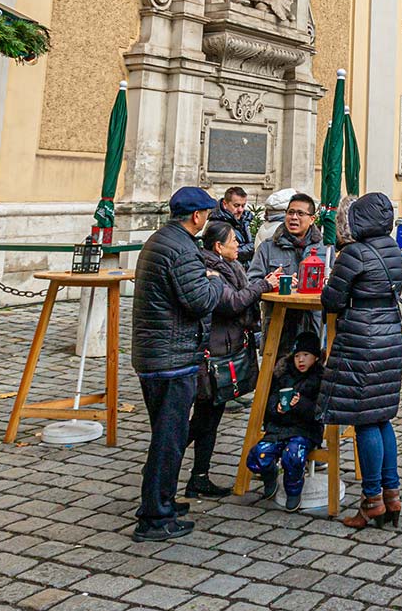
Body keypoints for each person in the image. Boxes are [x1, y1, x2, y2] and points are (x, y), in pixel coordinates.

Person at [131, 186, 223, 541]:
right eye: (207, 214)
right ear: (197, 216)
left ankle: (161, 500)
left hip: (156, 353)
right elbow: (199, 300)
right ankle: (155, 516)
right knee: (169, 439)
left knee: (167, 434)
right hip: (171, 357)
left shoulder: (160, 240)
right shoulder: (182, 249)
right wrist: (214, 282)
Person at [320, 192, 402, 530]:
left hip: (362, 339)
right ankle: (392, 495)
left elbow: (332, 300)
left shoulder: (353, 254)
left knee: (365, 421)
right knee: (383, 418)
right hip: (389, 339)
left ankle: (372, 501)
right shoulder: (393, 249)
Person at [184, 220, 276, 497]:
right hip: (212, 353)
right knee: (203, 418)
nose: (238, 244)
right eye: (233, 241)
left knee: (210, 417)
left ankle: (199, 476)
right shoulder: (209, 270)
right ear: (218, 246)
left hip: (228, 348)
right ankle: (163, 459)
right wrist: (263, 286)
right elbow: (231, 302)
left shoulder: (232, 267)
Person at [246, 330, 324, 510]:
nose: (301, 360)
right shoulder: (282, 374)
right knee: (258, 456)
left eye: (306, 355)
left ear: (315, 358)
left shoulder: (319, 379)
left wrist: (300, 404)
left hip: (303, 431)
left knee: (293, 456)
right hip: (277, 429)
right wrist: (276, 408)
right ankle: (270, 474)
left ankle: (293, 490)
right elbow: (271, 400)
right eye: (297, 356)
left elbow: (319, 412)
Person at [250, 191, 320, 344]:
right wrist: (271, 283)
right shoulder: (267, 248)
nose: (294, 217)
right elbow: (251, 283)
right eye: (290, 212)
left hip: (314, 327)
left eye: (300, 213)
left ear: (312, 219)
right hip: (279, 327)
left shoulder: (323, 249)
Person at [218, 185, 254, 258]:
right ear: (225, 204)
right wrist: (253, 247)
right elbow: (225, 251)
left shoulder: (245, 220)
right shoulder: (218, 224)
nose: (240, 210)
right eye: (236, 205)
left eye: (243, 206)